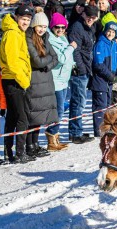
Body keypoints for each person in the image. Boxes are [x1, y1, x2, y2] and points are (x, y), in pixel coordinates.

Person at [0, 5, 34, 164]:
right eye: (23, 19)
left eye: (28, 20)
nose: (26, 22)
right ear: (16, 17)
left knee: (13, 117)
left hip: (16, 79)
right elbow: (13, 62)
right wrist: (24, 81)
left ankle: (9, 151)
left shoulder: (18, 32)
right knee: (22, 117)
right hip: (15, 80)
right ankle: (19, 152)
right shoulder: (13, 33)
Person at [25, 9, 59, 158]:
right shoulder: (28, 39)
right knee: (32, 116)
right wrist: (46, 63)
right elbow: (36, 61)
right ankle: (29, 145)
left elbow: (56, 57)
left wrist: (47, 65)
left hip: (45, 81)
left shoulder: (45, 38)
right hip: (34, 81)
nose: (42, 30)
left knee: (40, 117)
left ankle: (36, 143)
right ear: (34, 26)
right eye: (40, 26)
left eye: (45, 27)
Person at [67, 5, 99, 144]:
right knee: (78, 102)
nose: (91, 20)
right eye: (89, 17)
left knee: (81, 101)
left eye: (93, 17)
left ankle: (76, 130)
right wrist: (82, 69)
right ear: (83, 14)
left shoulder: (90, 27)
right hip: (80, 70)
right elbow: (76, 51)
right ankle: (75, 133)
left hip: (86, 67)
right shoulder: (77, 27)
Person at [47, 12, 76, 151]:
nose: (60, 30)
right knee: (58, 111)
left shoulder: (63, 38)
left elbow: (68, 59)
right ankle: (51, 137)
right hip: (56, 80)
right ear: (52, 27)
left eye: (63, 27)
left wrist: (74, 64)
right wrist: (71, 47)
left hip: (64, 80)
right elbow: (61, 59)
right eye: (57, 27)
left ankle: (55, 137)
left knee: (61, 110)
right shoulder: (51, 40)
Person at [90, 21, 117, 137]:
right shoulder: (100, 44)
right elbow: (98, 64)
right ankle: (99, 129)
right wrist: (110, 76)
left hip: (109, 81)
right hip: (100, 80)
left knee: (108, 104)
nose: (110, 33)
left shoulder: (115, 46)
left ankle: (105, 127)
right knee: (100, 105)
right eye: (109, 31)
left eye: (113, 32)